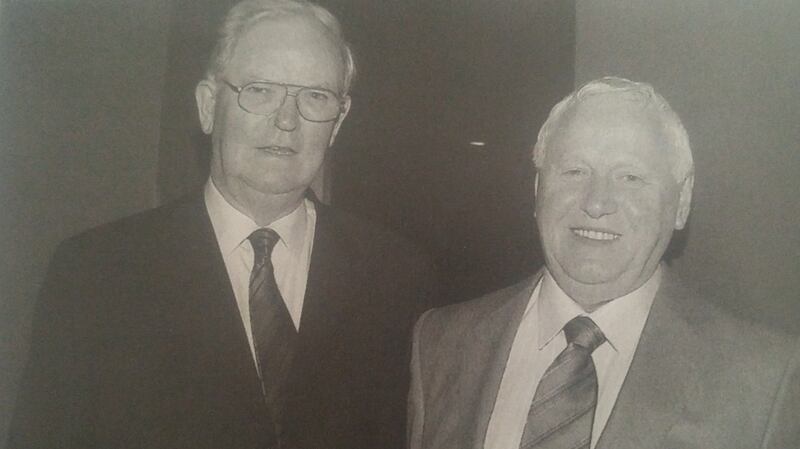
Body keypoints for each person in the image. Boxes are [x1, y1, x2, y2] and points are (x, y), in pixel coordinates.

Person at [9, 1, 435, 448]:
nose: (286, 120)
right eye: (260, 90)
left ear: (338, 121)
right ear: (209, 106)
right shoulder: (96, 274)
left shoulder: (399, 278)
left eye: (315, 96)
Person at [407, 77, 800, 449]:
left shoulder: (765, 382)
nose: (595, 203)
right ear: (537, 188)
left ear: (681, 203)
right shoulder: (441, 343)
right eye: (575, 171)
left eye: (630, 177)